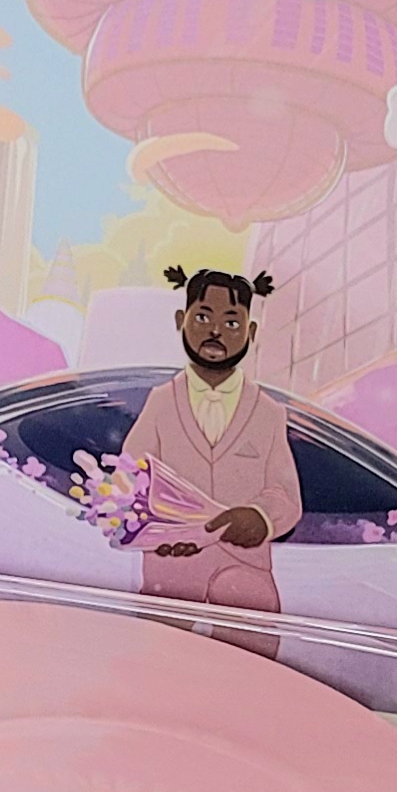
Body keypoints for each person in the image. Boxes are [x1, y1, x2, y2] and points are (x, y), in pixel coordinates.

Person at [118, 265, 303, 620]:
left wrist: (260, 518)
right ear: (180, 321)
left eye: (231, 323)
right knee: (160, 647)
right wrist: (158, 530)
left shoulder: (268, 413)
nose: (216, 331)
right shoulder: (161, 402)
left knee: (249, 648)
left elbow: (285, 493)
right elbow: (129, 477)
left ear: (251, 332)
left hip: (245, 569)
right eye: (203, 317)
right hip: (170, 569)